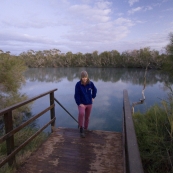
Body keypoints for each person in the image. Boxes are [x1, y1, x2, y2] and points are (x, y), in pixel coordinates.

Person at [74, 71, 97, 138]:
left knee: (87, 117)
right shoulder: (78, 85)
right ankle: (81, 128)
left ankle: (85, 129)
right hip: (82, 104)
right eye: (83, 77)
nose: (85, 79)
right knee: (81, 113)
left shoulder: (90, 83)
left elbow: (95, 90)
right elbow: (76, 95)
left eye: (86, 77)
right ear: (81, 77)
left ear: (87, 77)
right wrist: (79, 103)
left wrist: (93, 97)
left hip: (89, 103)